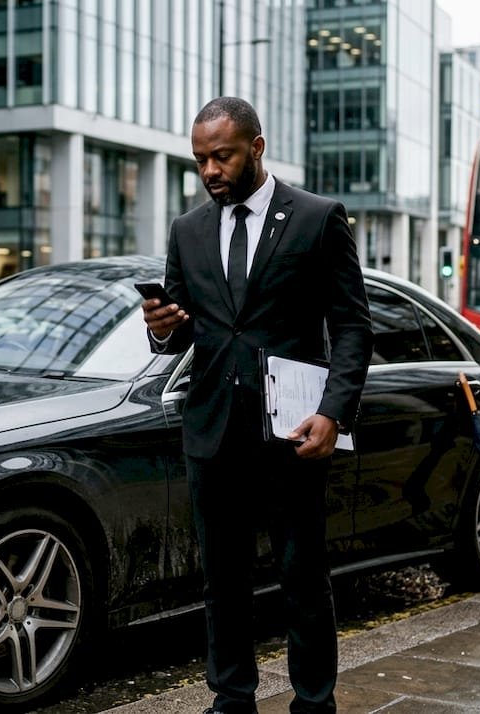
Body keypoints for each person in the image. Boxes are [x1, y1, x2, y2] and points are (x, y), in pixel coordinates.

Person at [141, 97, 373, 714]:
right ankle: (232, 699)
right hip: (213, 429)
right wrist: (162, 326)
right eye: (200, 161)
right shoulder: (187, 231)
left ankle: (313, 702)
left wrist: (334, 411)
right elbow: (186, 333)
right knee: (222, 581)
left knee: (302, 578)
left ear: (256, 148)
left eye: (222, 156)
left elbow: (352, 327)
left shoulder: (318, 218)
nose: (211, 170)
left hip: (294, 429)